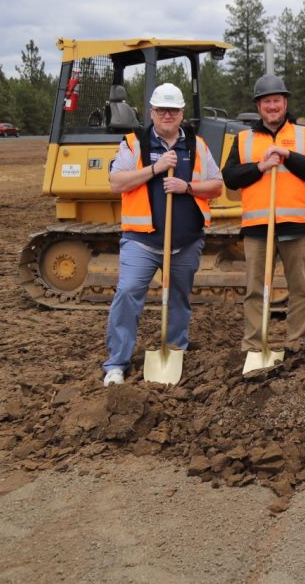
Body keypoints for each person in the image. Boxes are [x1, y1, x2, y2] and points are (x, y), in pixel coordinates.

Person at [102, 83, 223, 385]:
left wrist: (188, 187)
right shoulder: (134, 144)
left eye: (173, 110)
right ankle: (116, 363)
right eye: (161, 110)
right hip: (141, 241)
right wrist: (156, 168)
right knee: (128, 293)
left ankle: (175, 351)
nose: (167, 115)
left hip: (185, 243)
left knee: (179, 299)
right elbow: (116, 182)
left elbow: (217, 186)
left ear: (181, 113)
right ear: (151, 112)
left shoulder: (197, 145)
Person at [222, 74, 305, 357]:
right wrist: (259, 167)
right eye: (266, 101)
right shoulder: (243, 140)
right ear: (258, 106)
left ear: (285, 103)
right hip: (258, 228)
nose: (272, 106)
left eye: (276, 101)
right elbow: (229, 177)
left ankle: (298, 344)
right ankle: (254, 347)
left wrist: (287, 155)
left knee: (301, 289)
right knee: (256, 290)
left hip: (297, 227)